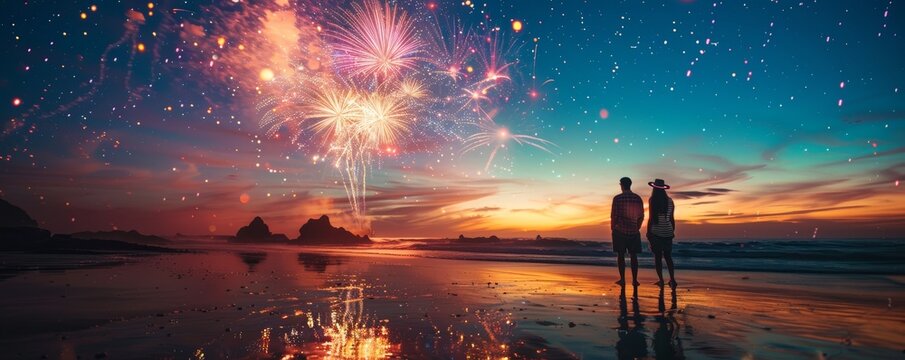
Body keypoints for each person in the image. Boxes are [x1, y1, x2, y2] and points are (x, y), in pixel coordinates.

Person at [611, 177, 644, 286]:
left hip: (620, 230)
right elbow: (641, 216)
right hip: (634, 231)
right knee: (633, 256)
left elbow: (614, 215)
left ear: (622, 185)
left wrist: (613, 228)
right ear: (630, 184)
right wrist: (637, 227)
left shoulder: (617, 198)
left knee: (621, 255)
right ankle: (634, 280)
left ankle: (622, 279)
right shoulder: (637, 198)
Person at [647, 178, 677, 288]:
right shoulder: (670, 201)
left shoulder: (652, 200)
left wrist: (648, 232)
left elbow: (651, 218)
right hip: (668, 231)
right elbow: (672, 218)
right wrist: (672, 231)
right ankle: (672, 279)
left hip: (656, 232)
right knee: (668, 257)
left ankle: (661, 280)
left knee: (658, 258)